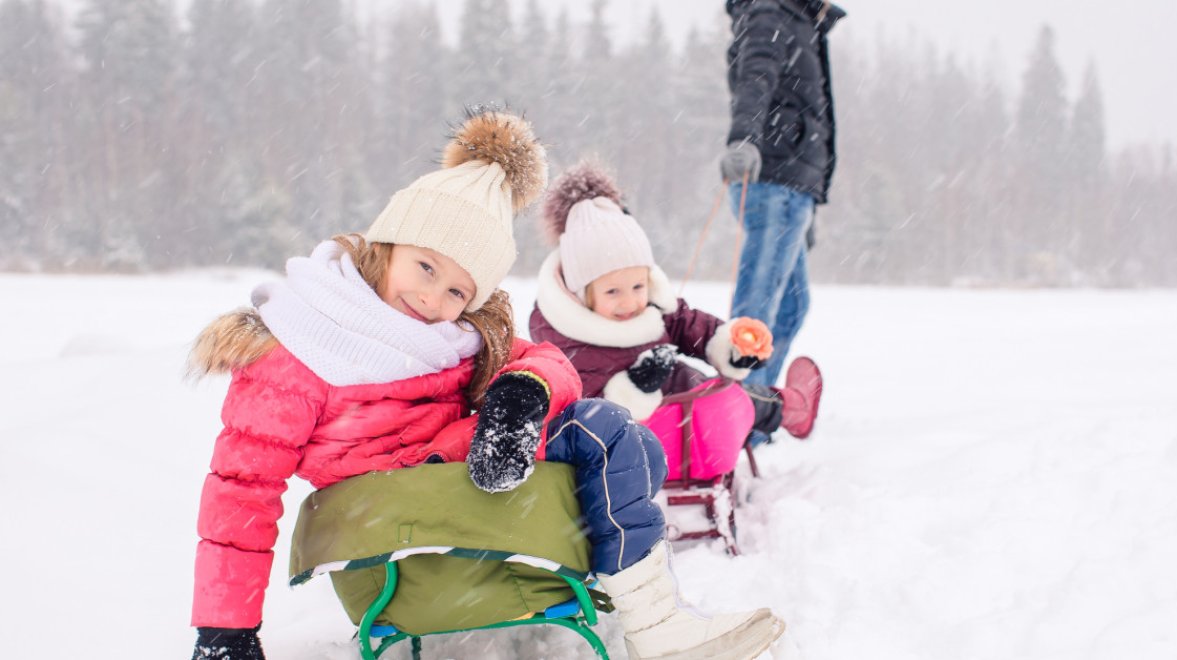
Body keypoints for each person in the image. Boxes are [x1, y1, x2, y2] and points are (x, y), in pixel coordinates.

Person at [187, 110, 784, 660]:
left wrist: (521, 394)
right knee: (609, 437)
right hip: (389, 532)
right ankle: (655, 627)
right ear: (387, 245)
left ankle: (658, 623)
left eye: (458, 292)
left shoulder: (460, 338)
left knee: (626, 441)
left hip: (462, 489)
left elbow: (549, 361)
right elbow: (241, 490)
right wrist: (225, 630)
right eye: (426, 268)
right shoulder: (300, 344)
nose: (433, 300)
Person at [528, 162, 823, 447]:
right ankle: (789, 408)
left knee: (729, 394)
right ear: (582, 294)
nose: (629, 301)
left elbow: (687, 324)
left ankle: (786, 408)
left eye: (638, 286)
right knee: (731, 402)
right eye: (613, 292)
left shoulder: (651, 308)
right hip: (655, 439)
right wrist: (636, 385)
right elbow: (587, 405)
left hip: (689, 408)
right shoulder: (569, 342)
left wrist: (729, 346)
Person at [720, 0, 844, 393]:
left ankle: (755, 407)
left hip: (792, 188)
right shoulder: (770, 10)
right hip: (773, 178)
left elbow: (809, 111)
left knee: (790, 307)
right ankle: (737, 417)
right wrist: (743, 139)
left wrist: (810, 209)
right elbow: (755, 75)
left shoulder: (802, 19)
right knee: (756, 313)